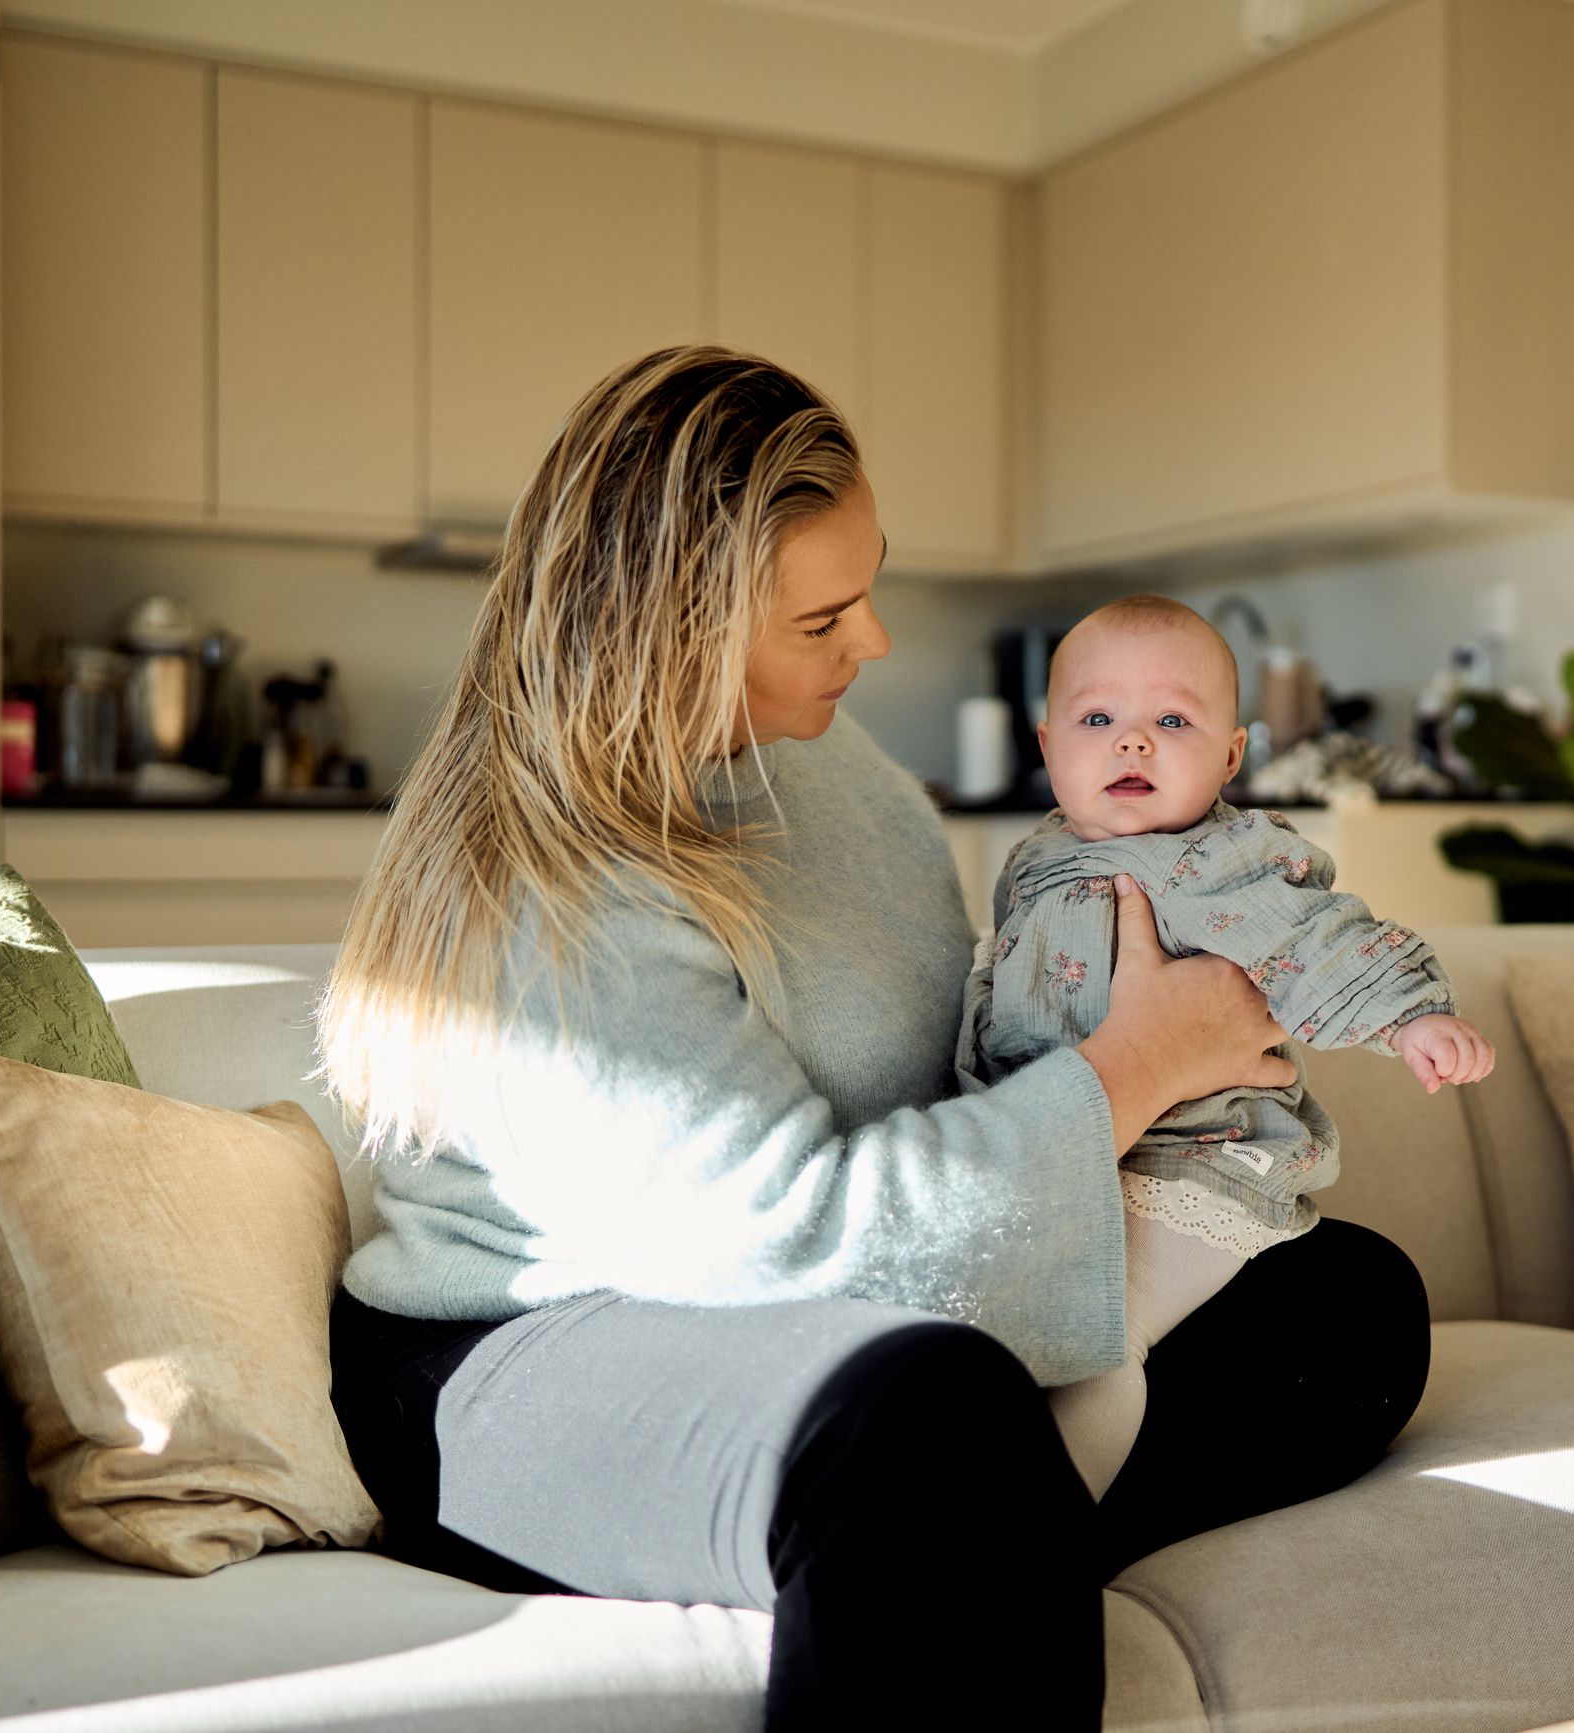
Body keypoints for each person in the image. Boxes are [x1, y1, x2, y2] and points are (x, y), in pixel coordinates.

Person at [317, 345, 1433, 1731]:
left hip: (870, 1309)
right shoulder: (559, 885)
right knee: (927, 1426)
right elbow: (791, 1237)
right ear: (681, 632)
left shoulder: (846, 776)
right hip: (534, 1345)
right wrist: (1144, 1060)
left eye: (870, 583)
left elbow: (958, 1064)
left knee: (1344, 1299)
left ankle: (974, 1533)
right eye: (822, 617)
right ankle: (970, 1518)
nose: (877, 642)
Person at [961, 596, 1494, 1499]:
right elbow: (993, 992)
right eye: (1099, 719)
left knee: (1094, 1333)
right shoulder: (1032, 864)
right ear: (1048, 746)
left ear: (1231, 756)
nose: (1133, 743)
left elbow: (1322, 939)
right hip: (1061, 1162)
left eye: (1172, 720)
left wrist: (1411, 1015)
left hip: (1186, 1174)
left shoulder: (1224, 860)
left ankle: (1046, 1529)